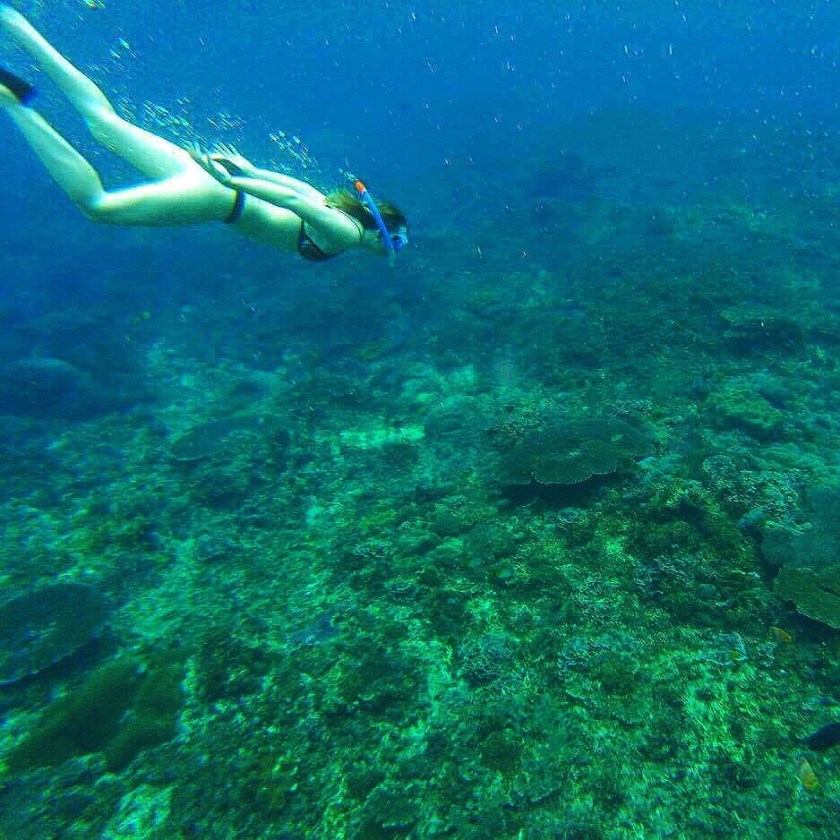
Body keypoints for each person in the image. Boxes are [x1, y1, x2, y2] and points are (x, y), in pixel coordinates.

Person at [0, 4, 408, 262]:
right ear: (382, 233)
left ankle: (14, 21)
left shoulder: (337, 208)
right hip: (220, 195)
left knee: (106, 124)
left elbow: (295, 190)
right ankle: (17, 106)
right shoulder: (347, 233)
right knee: (97, 205)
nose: (396, 250)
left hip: (219, 181)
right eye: (398, 242)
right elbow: (290, 200)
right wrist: (232, 180)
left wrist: (245, 170)